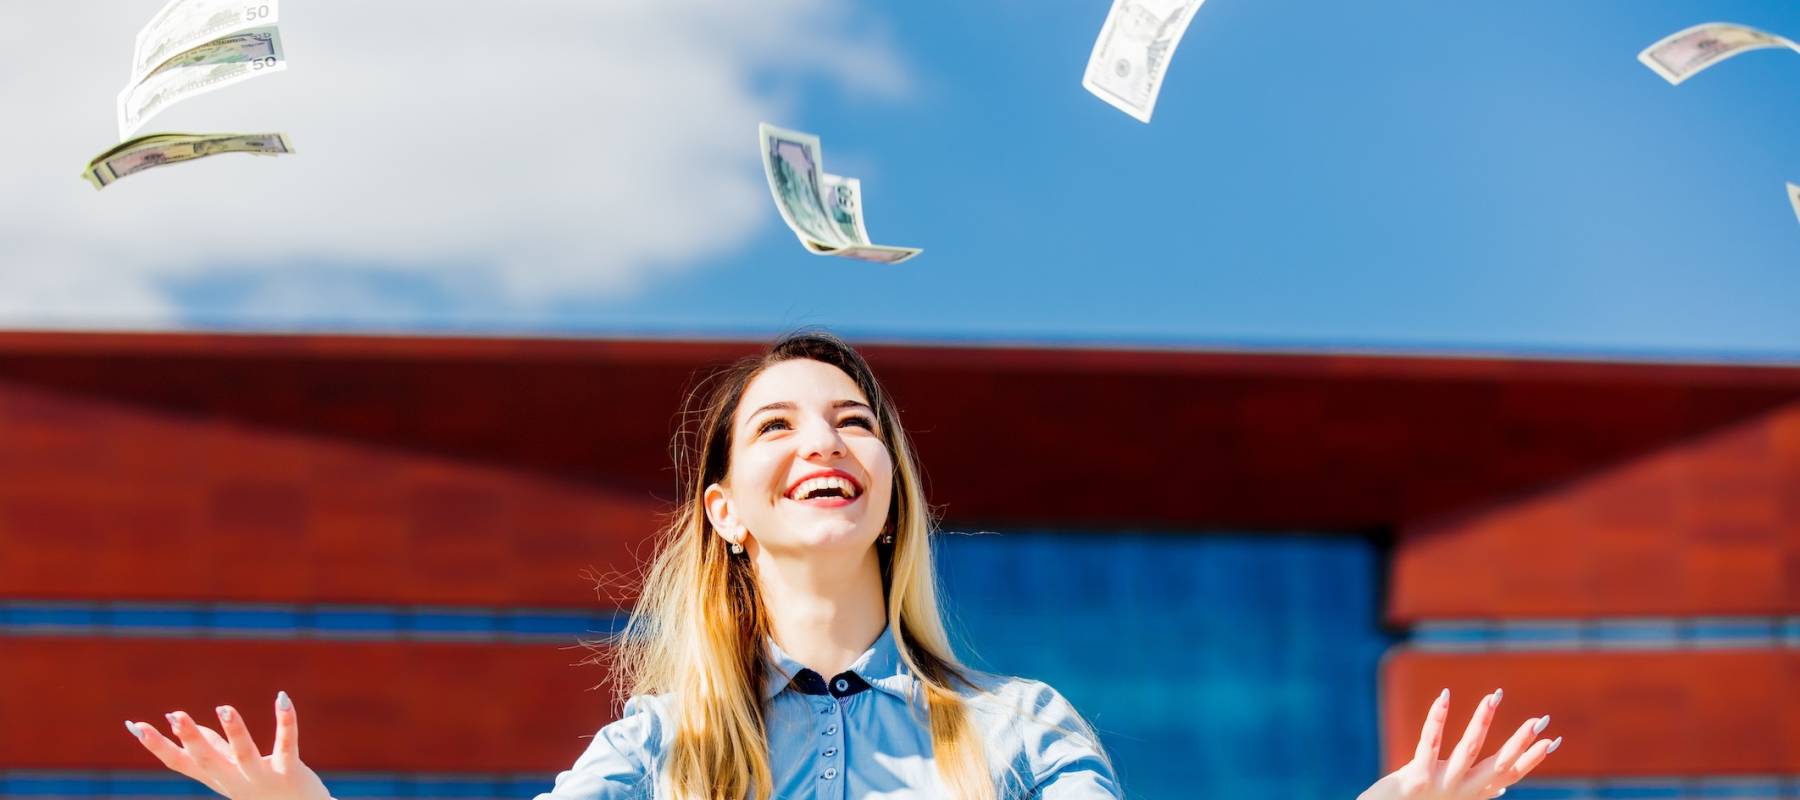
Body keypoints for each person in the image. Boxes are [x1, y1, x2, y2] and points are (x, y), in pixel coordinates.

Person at [124, 331, 1562, 799]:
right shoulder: (658, 749)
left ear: (887, 493)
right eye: (781, 424)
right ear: (729, 510)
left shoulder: (1020, 732)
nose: (829, 440)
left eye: (856, 421)